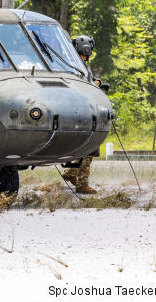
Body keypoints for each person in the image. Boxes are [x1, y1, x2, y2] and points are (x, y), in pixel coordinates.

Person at [61, 35, 99, 194]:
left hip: (77, 110)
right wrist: (95, 84)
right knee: (90, 147)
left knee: (88, 147)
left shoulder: (70, 64)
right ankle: (81, 184)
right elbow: (82, 86)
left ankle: (71, 173)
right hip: (82, 111)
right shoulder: (78, 66)